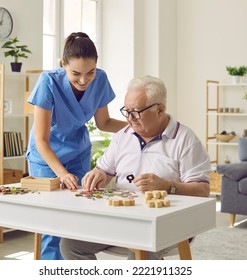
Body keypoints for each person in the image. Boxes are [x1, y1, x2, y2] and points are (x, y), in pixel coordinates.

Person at [60, 75, 211, 260]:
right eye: (126, 111)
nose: (129, 119)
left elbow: (202, 190)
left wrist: (166, 186)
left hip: (168, 223)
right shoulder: (123, 136)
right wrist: (97, 175)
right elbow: (104, 170)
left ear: (160, 110)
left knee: (142, 250)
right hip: (122, 219)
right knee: (70, 245)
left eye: (136, 112)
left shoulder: (186, 140)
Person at [26, 32, 127, 260]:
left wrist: (137, 127)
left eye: (90, 72)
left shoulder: (100, 79)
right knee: (53, 222)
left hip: (78, 151)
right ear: (63, 65)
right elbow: (41, 140)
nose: (84, 81)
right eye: (76, 74)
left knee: (80, 215)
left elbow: (104, 123)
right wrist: (62, 174)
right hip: (46, 158)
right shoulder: (48, 82)